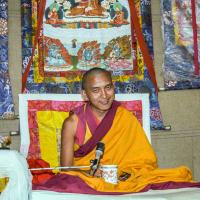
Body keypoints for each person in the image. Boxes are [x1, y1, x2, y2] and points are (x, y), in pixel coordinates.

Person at [56, 67, 198, 193]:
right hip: (88, 178)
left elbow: (142, 161)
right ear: (85, 95)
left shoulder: (124, 117)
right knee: (69, 180)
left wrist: (123, 173)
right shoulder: (72, 123)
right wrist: (90, 171)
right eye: (95, 90)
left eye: (108, 87)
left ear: (114, 87)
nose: (104, 95)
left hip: (122, 177)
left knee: (174, 175)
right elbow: (66, 169)